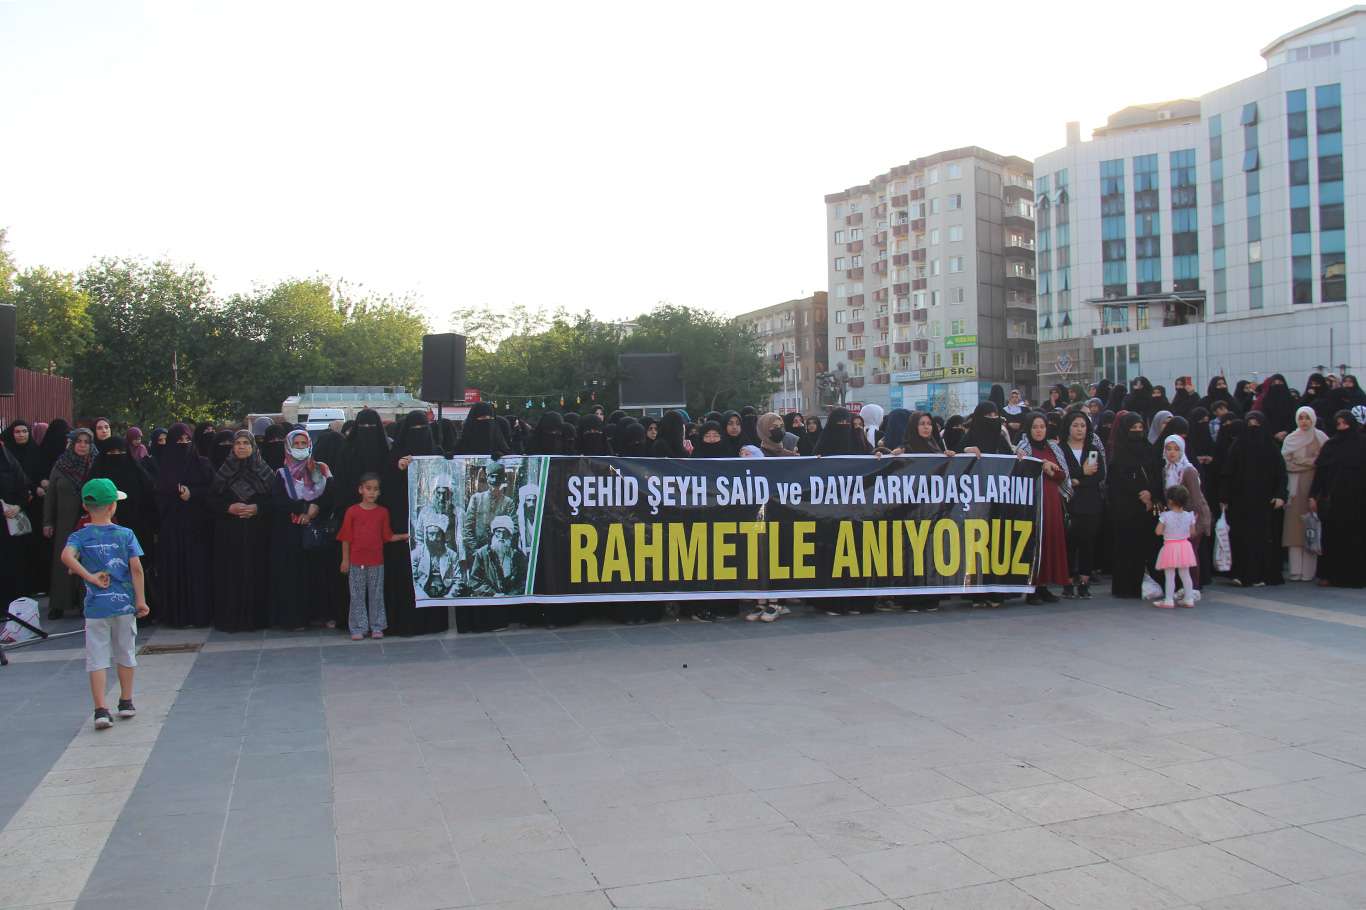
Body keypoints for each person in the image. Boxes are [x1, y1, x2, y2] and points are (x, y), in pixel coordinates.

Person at [62, 478, 149, 730]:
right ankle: (126, 701)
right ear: (112, 506)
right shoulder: (126, 534)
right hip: (124, 606)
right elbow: (137, 569)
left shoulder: (80, 536)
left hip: (95, 607)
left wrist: (88, 576)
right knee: (126, 651)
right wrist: (141, 600)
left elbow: (66, 556)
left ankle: (101, 709)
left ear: (85, 506)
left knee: (97, 656)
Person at [383, 412, 450, 636]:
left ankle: (434, 622)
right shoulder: (395, 456)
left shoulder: (437, 453)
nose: (419, 435)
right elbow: (388, 491)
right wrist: (398, 468)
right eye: (415, 431)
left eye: (423, 429)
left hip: (434, 527)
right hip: (405, 528)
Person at [209, 430, 275, 632]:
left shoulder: (265, 471)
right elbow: (211, 500)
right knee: (231, 574)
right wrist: (228, 508)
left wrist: (257, 508)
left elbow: (275, 500)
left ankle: (257, 619)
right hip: (230, 532)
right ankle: (232, 619)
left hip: (258, 531)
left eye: (246, 443)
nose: (242, 447)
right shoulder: (223, 471)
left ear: (253, 447)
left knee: (257, 571)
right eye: (238, 443)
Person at [269, 428, 335, 631]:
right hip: (292, 532)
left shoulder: (321, 469)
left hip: (316, 530)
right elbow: (278, 500)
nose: (300, 447)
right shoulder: (282, 474)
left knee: (319, 574)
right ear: (289, 447)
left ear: (309, 445)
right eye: (296, 444)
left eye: (303, 444)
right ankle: (297, 618)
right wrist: (303, 510)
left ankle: (321, 615)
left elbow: (331, 493)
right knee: (295, 576)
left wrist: (315, 509)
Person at [153, 424, 214, 627]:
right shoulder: (163, 466)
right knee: (175, 571)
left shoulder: (203, 464)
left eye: (187, 440)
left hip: (198, 528)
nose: (184, 444)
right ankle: (177, 615)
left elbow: (213, 490)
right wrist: (173, 493)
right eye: (179, 441)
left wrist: (192, 493)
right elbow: (156, 497)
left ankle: (200, 614)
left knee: (198, 571)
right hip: (173, 529)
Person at [1221, 411, 1288, 587]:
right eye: (1249, 424)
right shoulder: (1237, 446)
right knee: (1241, 538)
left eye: (1257, 424)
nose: (1253, 427)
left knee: (1263, 538)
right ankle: (1242, 574)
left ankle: (1262, 574)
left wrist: (1280, 495)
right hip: (1240, 502)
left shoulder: (1271, 447)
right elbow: (1228, 473)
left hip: (1265, 502)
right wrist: (1225, 498)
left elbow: (1281, 473)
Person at [338, 473, 407, 640]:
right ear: (360, 489)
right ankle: (358, 627)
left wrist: (404, 536)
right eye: (368, 488)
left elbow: (387, 536)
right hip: (356, 562)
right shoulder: (352, 511)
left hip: (376, 561)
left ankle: (377, 626)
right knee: (357, 595)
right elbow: (346, 538)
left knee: (376, 595)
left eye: (375, 489)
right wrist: (345, 560)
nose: (372, 492)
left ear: (379, 492)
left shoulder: (382, 512)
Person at [1016, 413, 1069, 604]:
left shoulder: (1053, 448)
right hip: (1033, 502)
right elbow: (1018, 473)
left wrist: (1051, 470)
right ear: (1028, 429)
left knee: (1049, 542)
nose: (1039, 431)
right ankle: (1032, 589)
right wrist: (1039, 465)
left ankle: (1044, 586)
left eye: (1042, 427)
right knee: (1035, 543)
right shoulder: (1022, 448)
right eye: (1035, 427)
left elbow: (1063, 476)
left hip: (1051, 502)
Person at [42, 427, 95, 619]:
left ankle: (84, 603)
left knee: (88, 561)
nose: (82, 446)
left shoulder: (95, 464)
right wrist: (47, 522)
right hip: (64, 521)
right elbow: (51, 496)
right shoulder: (61, 465)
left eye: (86, 442)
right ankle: (59, 604)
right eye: (78, 442)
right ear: (72, 444)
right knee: (63, 561)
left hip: (89, 520)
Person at [1310, 410, 1366, 588]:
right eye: (1339, 424)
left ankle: (1355, 576)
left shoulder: (1362, 444)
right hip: (1333, 500)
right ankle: (1329, 575)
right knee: (1332, 537)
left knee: (1355, 537)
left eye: (1345, 423)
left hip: (1358, 500)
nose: (1342, 427)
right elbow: (1320, 472)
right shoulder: (1331, 445)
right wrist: (1313, 495)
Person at [1108, 414, 1160, 599]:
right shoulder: (1119, 454)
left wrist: (1151, 493)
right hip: (1126, 508)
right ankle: (1125, 587)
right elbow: (1116, 482)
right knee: (1126, 548)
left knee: (1146, 547)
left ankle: (1147, 584)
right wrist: (1139, 493)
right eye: (1133, 428)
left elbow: (1157, 474)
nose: (1137, 431)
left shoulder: (1149, 449)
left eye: (1140, 428)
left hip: (1147, 509)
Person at [1058, 412, 1106, 599]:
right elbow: (1063, 475)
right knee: (1069, 544)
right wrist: (1082, 471)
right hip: (1069, 504)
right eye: (1076, 425)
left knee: (1088, 543)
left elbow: (1099, 475)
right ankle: (1068, 581)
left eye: (1083, 426)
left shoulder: (1092, 449)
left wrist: (1078, 480)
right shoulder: (1060, 449)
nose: (1079, 429)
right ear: (1068, 427)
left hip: (1091, 503)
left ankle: (1085, 582)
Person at [1282, 405, 1328, 581]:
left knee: (1311, 527)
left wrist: (1301, 462)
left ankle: (1309, 572)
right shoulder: (1291, 439)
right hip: (1294, 489)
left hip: (1313, 487)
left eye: (1307, 417)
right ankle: (1295, 570)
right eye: (1301, 418)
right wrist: (1309, 462)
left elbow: (1323, 462)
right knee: (1294, 528)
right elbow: (1285, 463)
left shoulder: (1321, 438)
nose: (1304, 421)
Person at [1160, 434, 1210, 591]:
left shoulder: (1188, 471)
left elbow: (1196, 498)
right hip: (1177, 517)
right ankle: (1182, 588)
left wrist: (1194, 522)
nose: (1172, 452)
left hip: (1192, 517)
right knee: (1180, 555)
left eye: (1176, 449)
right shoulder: (1166, 470)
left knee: (1190, 553)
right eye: (1168, 449)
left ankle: (1193, 588)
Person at [3, 420, 46, 596]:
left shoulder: (36, 452)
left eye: (24, 431)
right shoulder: (7, 453)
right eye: (17, 432)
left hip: (28, 508)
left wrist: (21, 503)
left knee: (28, 549)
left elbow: (25, 481)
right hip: (7, 510)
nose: (21, 435)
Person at [1153, 485, 1198, 609]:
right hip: (1184, 546)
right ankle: (1189, 599)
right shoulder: (1189, 515)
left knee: (1170, 575)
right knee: (1185, 573)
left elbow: (1158, 531)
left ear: (1170, 501)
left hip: (1170, 546)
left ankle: (1168, 599)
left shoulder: (1165, 516)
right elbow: (1193, 532)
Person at [467, 515, 527, 596]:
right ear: (493, 533)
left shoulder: (517, 555)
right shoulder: (482, 553)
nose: (501, 536)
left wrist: (509, 596)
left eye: (505, 533)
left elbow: (523, 582)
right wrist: (493, 594)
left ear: (510, 535)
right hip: (489, 599)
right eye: (498, 532)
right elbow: (474, 582)